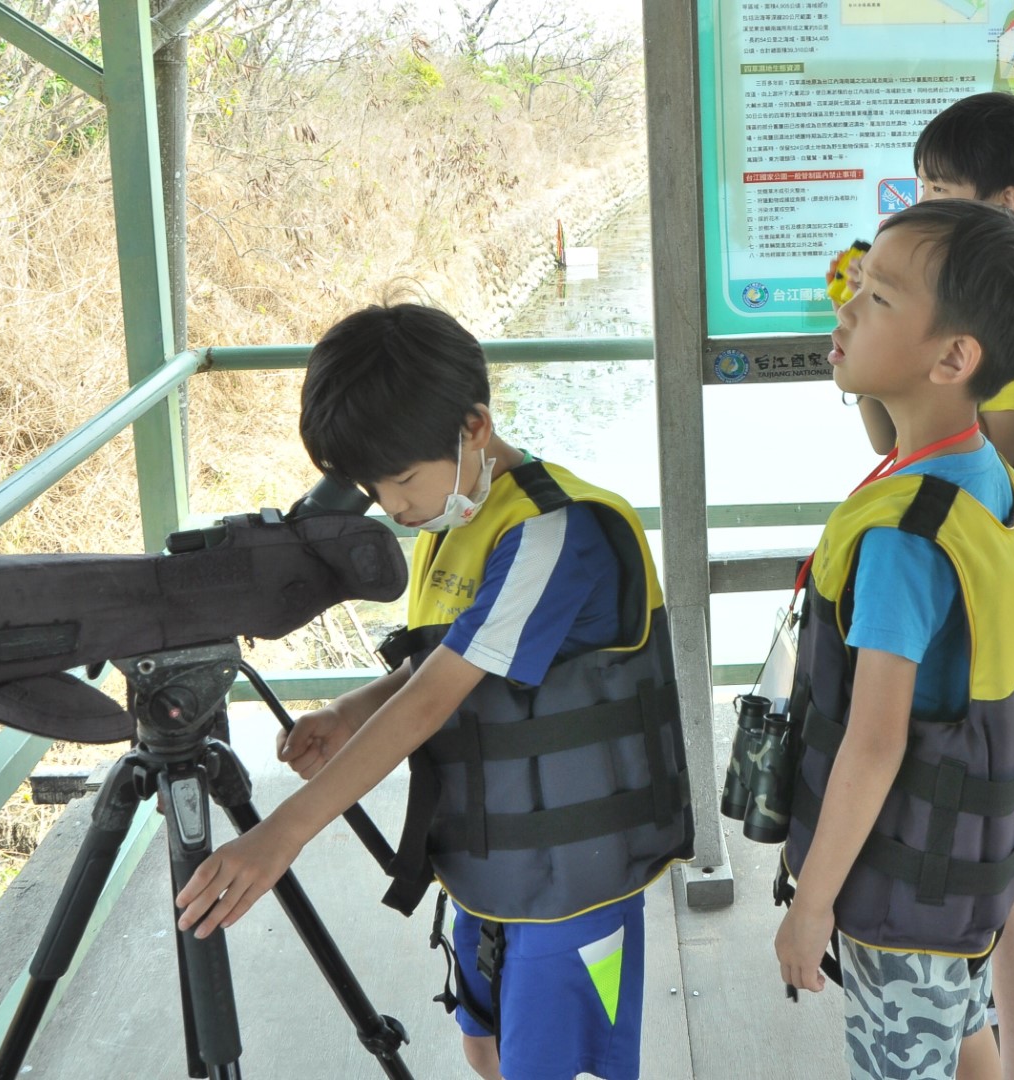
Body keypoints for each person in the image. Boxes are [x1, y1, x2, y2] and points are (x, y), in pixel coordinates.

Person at [174, 301, 695, 1080]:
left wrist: (280, 835)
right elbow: (441, 660)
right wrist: (351, 711)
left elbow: (434, 700)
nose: (393, 506)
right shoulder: (457, 516)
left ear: (474, 427)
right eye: (375, 488)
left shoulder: (556, 532)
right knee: (484, 1047)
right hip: (490, 869)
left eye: (402, 479)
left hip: (570, 886)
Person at [830, 90, 1014, 1080]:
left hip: (988, 623)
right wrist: (872, 355)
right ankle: (998, 1053)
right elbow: (909, 436)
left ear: (1006, 201)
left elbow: (956, 446)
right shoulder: (992, 324)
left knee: (993, 867)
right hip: (981, 614)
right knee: (987, 861)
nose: (919, 204)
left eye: (939, 190)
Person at [777, 199, 1014, 1080]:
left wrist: (810, 905)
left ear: (953, 357)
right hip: (973, 874)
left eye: (877, 298)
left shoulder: (907, 538)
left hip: (902, 896)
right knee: (965, 1033)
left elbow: (872, 745)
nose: (846, 309)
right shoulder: (992, 486)